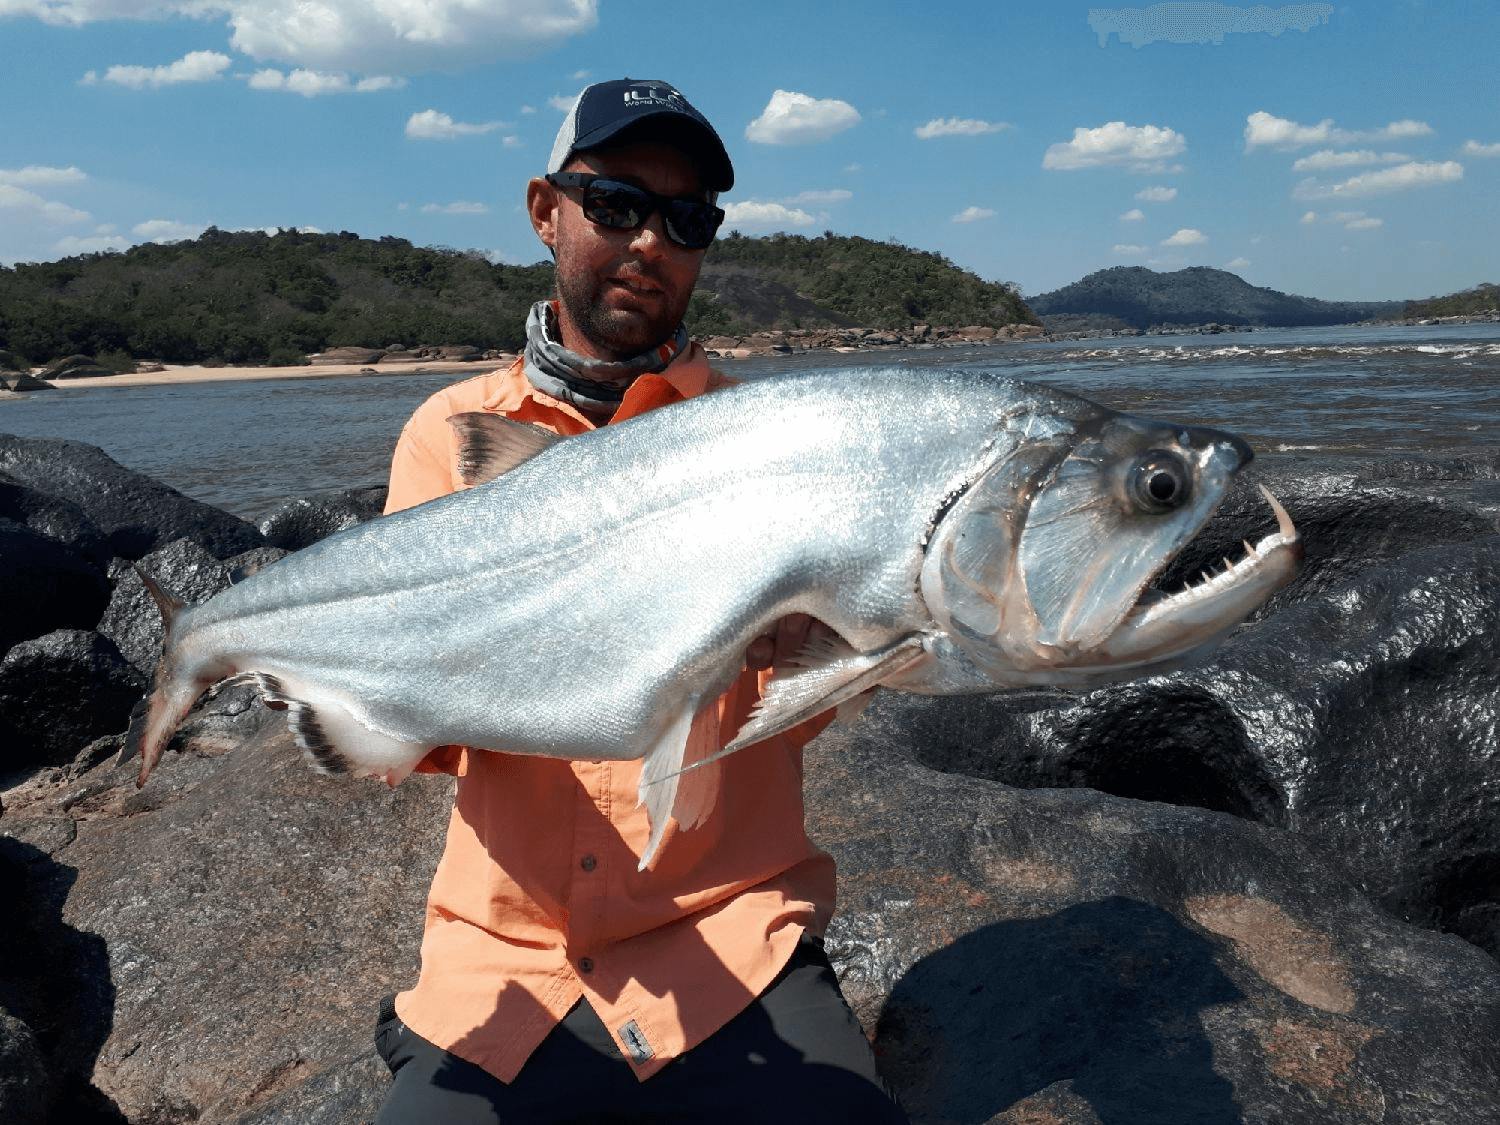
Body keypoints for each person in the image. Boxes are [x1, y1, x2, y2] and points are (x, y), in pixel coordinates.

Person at [373, 78, 908, 1123]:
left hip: (728, 939)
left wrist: (816, 649)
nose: (650, 243)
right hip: (502, 960)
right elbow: (417, 737)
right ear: (545, 210)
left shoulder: (774, 448)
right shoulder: (453, 434)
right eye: (616, 203)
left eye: (687, 218)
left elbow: (826, 697)